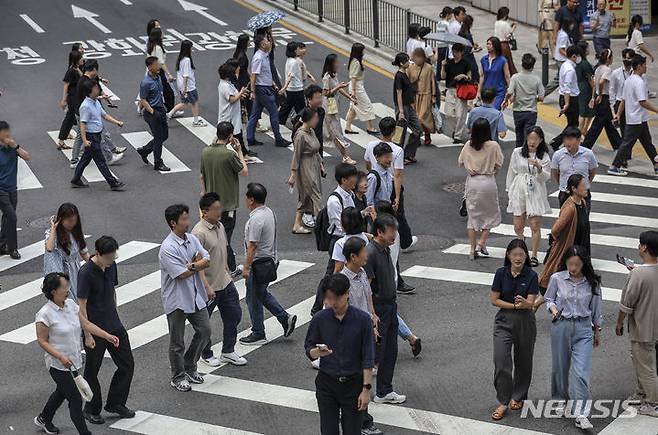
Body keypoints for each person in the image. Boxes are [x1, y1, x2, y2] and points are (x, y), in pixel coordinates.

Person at [34, 272, 119, 435]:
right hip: (58, 364)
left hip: (74, 360)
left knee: (62, 392)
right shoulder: (44, 314)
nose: (68, 290)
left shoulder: (71, 305)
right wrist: (59, 356)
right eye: (65, 287)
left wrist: (106, 335)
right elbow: (42, 341)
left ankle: (44, 418)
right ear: (53, 291)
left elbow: (85, 323)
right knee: (74, 398)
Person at [304, 273, 375, 435]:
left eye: (336, 298)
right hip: (327, 385)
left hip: (353, 386)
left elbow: (368, 357)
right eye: (329, 298)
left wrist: (366, 390)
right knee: (328, 431)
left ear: (347, 294)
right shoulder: (320, 319)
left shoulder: (362, 320)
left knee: (352, 431)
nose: (332, 302)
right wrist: (317, 352)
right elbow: (309, 349)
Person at [77, 236, 135, 424]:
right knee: (92, 370)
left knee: (127, 364)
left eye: (114, 257)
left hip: (114, 325)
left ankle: (116, 403)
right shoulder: (86, 272)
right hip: (94, 328)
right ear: (98, 254)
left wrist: (115, 313)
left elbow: (112, 291)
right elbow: (82, 306)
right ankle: (91, 408)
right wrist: (86, 334)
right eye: (109, 257)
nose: (112, 261)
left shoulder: (111, 266)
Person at [545, 246, 603, 430]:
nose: (573, 268)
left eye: (577, 264)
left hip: (583, 328)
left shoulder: (592, 282)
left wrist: (597, 330)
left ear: (584, 263)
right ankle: (560, 399)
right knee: (560, 367)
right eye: (570, 264)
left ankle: (581, 414)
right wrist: (553, 310)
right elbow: (549, 299)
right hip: (561, 325)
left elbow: (597, 307)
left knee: (581, 372)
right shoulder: (557, 278)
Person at [159, 204, 212, 392]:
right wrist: (196, 265)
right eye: (183, 219)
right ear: (173, 223)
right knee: (177, 342)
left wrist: (193, 265)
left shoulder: (191, 239)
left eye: (187, 218)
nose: (187, 223)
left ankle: (190, 365)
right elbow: (181, 274)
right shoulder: (167, 248)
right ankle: (178, 376)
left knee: (205, 330)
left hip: (196, 295)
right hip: (177, 300)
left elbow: (206, 259)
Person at [193, 193, 247, 367]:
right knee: (204, 324)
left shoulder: (220, 226)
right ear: (205, 211)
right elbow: (196, 263)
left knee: (234, 314)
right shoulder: (198, 233)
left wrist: (226, 272)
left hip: (225, 281)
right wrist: (207, 287)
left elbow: (222, 251)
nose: (219, 212)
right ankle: (205, 353)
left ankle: (228, 351)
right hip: (208, 287)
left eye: (220, 208)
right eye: (215, 209)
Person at [240, 183, 298, 345]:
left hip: (259, 265)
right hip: (270, 260)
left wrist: (246, 267)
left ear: (251, 200)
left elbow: (253, 245)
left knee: (253, 299)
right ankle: (284, 318)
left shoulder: (256, 219)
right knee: (260, 294)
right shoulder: (269, 212)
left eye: (246, 197)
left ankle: (258, 333)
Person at [338, 237, 383, 435]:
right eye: (363, 252)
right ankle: (362, 422)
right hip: (352, 339)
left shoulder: (362, 272)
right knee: (358, 382)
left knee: (361, 380)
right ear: (352, 256)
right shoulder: (342, 281)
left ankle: (359, 418)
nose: (367, 255)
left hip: (365, 333)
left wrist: (373, 317)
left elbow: (368, 297)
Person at [489, 239, 538, 421]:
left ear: (526, 256)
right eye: (514, 254)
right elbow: (494, 300)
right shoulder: (501, 273)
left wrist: (526, 304)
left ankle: (518, 395)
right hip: (504, 321)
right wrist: (515, 306)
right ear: (508, 256)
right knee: (501, 361)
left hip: (525, 322)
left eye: (521, 255)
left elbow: (531, 303)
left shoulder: (531, 275)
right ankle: (503, 401)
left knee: (524, 361)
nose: (518, 258)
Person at [364, 214, 406, 404]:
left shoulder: (384, 249)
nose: (395, 235)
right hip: (380, 309)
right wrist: (372, 313)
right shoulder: (371, 253)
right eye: (392, 231)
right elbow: (367, 288)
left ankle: (384, 390)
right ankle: (365, 392)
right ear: (380, 232)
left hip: (390, 306)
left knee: (390, 350)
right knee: (375, 351)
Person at [616, 231, 658, 417]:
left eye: (640, 244)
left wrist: (619, 323)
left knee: (646, 366)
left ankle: (653, 403)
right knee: (642, 361)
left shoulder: (638, 274)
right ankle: (642, 393)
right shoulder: (643, 272)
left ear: (645, 248)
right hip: (654, 326)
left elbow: (627, 303)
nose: (638, 246)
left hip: (642, 328)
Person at [199, 121, 248, 275]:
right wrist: (239, 151)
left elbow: (202, 176)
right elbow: (244, 171)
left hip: (210, 203)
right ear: (230, 136)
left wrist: (205, 193)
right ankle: (230, 267)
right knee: (224, 238)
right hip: (227, 204)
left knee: (215, 235)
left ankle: (222, 265)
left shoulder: (206, 152)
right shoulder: (229, 155)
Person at [364, 117, 417, 254]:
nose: (389, 159)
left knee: (386, 219)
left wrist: (371, 171)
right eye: (386, 157)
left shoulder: (371, 145)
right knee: (395, 216)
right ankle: (402, 241)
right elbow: (398, 175)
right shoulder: (397, 150)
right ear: (394, 131)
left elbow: (367, 162)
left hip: (384, 181)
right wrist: (398, 196)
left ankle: (389, 241)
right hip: (389, 185)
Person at [538, 174, 592, 302]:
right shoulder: (570, 208)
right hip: (570, 251)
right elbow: (555, 230)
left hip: (580, 250)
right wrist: (559, 242)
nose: (586, 188)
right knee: (557, 279)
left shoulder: (582, 202)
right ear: (574, 189)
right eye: (583, 186)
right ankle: (536, 305)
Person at [458, 118, 504, 260]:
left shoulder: (468, 145)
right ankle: (482, 243)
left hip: (472, 182)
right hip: (488, 181)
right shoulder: (493, 145)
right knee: (490, 214)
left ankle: (472, 250)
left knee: (472, 217)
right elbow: (499, 163)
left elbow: (460, 161)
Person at [505, 127, 551, 266]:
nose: (532, 142)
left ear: (541, 140)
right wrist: (509, 190)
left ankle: (534, 255)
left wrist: (539, 168)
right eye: (530, 139)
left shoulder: (544, 156)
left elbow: (545, 178)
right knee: (517, 225)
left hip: (535, 189)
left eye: (535, 139)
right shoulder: (517, 152)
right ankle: (521, 240)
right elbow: (511, 171)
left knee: (535, 224)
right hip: (519, 188)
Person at [70, 81, 126, 191]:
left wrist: (117, 122)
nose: (98, 89)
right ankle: (112, 182)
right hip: (91, 137)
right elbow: (82, 124)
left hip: (97, 135)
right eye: (95, 88)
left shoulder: (95, 102)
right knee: (101, 161)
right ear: (89, 92)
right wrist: (85, 140)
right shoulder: (85, 106)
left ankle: (75, 179)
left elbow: (104, 115)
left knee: (85, 159)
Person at [71, 59, 125, 169]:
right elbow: (87, 98)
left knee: (91, 136)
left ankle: (78, 159)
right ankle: (108, 157)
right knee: (95, 135)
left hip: (87, 111)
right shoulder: (84, 82)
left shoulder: (88, 79)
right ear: (94, 69)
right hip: (85, 113)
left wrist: (101, 97)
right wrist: (100, 97)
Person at [609, 55, 658, 176]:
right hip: (636, 118)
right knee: (627, 144)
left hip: (637, 118)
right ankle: (614, 166)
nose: (646, 67)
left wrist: (618, 114)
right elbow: (642, 101)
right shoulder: (639, 82)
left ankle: (656, 165)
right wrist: (657, 110)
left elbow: (623, 100)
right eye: (645, 65)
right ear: (639, 66)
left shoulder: (629, 80)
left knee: (647, 142)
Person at [246, 34, 291, 148]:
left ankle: (250, 138)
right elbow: (254, 75)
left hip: (266, 86)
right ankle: (278, 139)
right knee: (274, 112)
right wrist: (252, 91)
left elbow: (265, 73)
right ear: (262, 44)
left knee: (255, 114)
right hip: (262, 89)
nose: (268, 42)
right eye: (266, 41)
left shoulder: (264, 55)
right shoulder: (258, 58)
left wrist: (273, 84)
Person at [289, 108, 323, 234]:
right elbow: (296, 155)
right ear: (309, 119)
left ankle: (297, 225)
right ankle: (324, 224)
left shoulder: (311, 131)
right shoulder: (301, 135)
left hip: (313, 164)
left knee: (306, 197)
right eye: (315, 118)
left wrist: (320, 163)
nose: (317, 120)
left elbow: (316, 149)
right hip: (305, 167)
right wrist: (293, 174)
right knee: (315, 194)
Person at [44, 203, 89, 300]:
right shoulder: (53, 234)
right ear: (61, 219)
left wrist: (95, 266)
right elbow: (50, 248)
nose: (72, 223)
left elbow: (84, 252)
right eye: (69, 221)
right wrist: (53, 228)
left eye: (74, 220)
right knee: (67, 302)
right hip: (62, 276)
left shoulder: (76, 232)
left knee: (78, 302)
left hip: (75, 272)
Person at [581, 49, 622, 151]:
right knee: (597, 125)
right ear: (609, 59)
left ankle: (618, 144)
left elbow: (595, 83)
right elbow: (601, 82)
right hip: (604, 98)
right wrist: (599, 94)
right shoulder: (607, 70)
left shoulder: (598, 69)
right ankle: (585, 145)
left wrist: (593, 96)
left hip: (599, 98)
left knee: (608, 124)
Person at [0, 121, 30, 260]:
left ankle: (2, 244)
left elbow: (27, 156)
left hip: (12, 188)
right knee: (12, 217)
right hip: (1, 190)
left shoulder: (12, 147)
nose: (7, 134)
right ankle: (13, 248)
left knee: (7, 217)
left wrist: (15, 146)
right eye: (4, 131)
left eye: (8, 131)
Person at [321, 54, 357, 164]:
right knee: (335, 132)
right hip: (328, 108)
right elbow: (325, 93)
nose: (338, 64)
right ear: (331, 63)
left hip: (334, 107)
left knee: (334, 132)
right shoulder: (326, 77)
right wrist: (338, 87)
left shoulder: (333, 75)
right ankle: (345, 156)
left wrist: (349, 97)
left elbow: (338, 88)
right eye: (336, 62)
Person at [138, 56, 171, 172]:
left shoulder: (157, 78)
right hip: (152, 112)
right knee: (158, 138)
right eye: (157, 65)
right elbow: (143, 100)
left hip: (160, 109)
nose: (159, 66)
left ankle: (145, 150)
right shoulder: (145, 82)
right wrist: (153, 112)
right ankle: (158, 162)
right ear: (150, 66)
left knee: (164, 136)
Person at [503, 53, 544, 147]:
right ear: (533, 66)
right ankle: (527, 153)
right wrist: (534, 98)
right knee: (528, 135)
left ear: (522, 64)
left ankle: (518, 153)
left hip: (518, 111)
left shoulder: (515, 77)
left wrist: (506, 101)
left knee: (519, 134)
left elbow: (509, 92)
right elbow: (541, 97)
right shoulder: (537, 79)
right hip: (531, 111)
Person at [551, 126, 597, 210]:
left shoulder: (588, 154)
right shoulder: (558, 155)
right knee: (565, 220)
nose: (567, 142)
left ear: (579, 140)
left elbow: (592, 171)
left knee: (583, 220)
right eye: (565, 139)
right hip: (565, 192)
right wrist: (563, 184)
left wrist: (586, 184)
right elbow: (555, 172)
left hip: (583, 193)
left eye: (571, 139)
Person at [217, 62, 255, 163]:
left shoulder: (227, 84)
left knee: (235, 136)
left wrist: (240, 94)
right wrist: (241, 93)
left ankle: (243, 155)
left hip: (232, 115)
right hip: (228, 116)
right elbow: (232, 99)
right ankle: (240, 155)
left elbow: (235, 96)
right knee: (227, 137)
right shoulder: (225, 86)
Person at [549, 46, 581, 151]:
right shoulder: (570, 70)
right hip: (570, 99)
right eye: (577, 56)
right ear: (574, 56)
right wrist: (567, 103)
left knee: (572, 124)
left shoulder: (564, 65)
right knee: (573, 125)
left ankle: (562, 142)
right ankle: (558, 142)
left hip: (564, 97)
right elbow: (567, 87)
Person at [166, 40, 206, 126]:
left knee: (184, 103)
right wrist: (184, 88)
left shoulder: (181, 58)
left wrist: (182, 87)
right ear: (188, 49)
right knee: (194, 103)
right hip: (188, 86)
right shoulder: (187, 60)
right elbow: (186, 75)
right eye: (191, 47)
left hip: (182, 85)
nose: (192, 49)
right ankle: (196, 121)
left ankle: (169, 114)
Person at [391, 52, 421, 164]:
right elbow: (399, 94)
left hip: (408, 107)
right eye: (407, 61)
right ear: (401, 63)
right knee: (400, 134)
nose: (409, 62)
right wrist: (401, 112)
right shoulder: (399, 76)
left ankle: (408, 154)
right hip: (402, 108)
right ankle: (397, 158)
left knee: (418, 130)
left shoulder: (405, 74)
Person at [344, 43, 378, 135]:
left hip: (356, 86)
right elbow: (353, 78)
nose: (364, 52)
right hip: (357, 88)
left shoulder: (355, 61)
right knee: (367, 106)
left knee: (354, 107)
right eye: (363, 50)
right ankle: (370, 127)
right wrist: (354, 92)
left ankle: (348, 127)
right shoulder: (356, 63)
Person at [442, 43, 472, 144]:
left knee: (460, 114)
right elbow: (443, 76)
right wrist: (443, 66)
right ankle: (456, 129)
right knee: (448, 114)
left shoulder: (466, 63)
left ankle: (458, 135)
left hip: (461, 90)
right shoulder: (449, 63)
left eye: (457, 52)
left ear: (461, 52)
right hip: (450, 90)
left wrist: (463, 76)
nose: (455, 54)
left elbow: (470, 77)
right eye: (453, 52)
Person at [279, 42, 312, 126]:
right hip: (296, 89)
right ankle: (300, 123)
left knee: (288, 106)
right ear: (294, 51)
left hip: (291, 88)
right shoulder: (294, 62)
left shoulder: (289, 60)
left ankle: (280, 120)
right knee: (301, 109)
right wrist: (284, 87)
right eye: (298, 49)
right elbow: (291, 76)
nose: (299, 50)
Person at [408, 48, 436, 146]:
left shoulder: (428, 68)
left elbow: (432, 82)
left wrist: (433, 95)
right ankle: (418, 136)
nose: (415, 59)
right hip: (415, 96)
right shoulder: (410, 68)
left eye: (417, 57)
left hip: (426, 95)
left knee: (423, 117)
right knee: (415, 118)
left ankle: (427, 134)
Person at [608, 48, 635, 147]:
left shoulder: (636, 73)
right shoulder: (616, 73)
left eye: (630, 58)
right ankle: (625, 153)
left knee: (633, 129)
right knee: (623, 129)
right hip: (620, 103)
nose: (627, 60)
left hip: (632, 103)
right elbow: (612, 89)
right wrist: (613, 104)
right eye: (625, 58)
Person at [57, 51, 83, 150]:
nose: (82, 59)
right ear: (76, 60)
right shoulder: (71, 71)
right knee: (74, 117)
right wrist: (64, 99)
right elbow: (66, 85)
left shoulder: (76, 69)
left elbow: (83, 77)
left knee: (70, 118)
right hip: (73, 98)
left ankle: (61, 141)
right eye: (81, 58)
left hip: (76, 97)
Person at [146, 27, 175, 112]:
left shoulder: (151, 46)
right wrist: (169, 74)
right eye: (162, 33)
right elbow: (161, 63)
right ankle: (171, 111)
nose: (163, 34)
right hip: (158, 71)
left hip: (152, 71)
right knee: (168, 92)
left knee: (158, 90)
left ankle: (143, 105)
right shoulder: (158, 48)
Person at [544, 16, 574, 97]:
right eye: (571, 24)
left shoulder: (561, 32)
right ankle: (542, 93)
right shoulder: (564, 35)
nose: (573, 26)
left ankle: (542, 93)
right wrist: (570, 56)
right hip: (562, 60)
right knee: (559, 80)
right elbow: (561, 50)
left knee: (560, 79)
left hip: (559, 59)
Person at [479, 37, 510, 110]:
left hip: (499, 92)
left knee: (494, 111)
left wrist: (510, 91)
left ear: (495, 46)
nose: (488, 46)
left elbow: (507, 77)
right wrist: (479, 91)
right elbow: (481, 76)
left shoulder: (502, 60)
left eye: (490, 44)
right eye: (487, 44)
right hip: (486, 92)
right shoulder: (484, 59)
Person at [575, 41, 595, 134]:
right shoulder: (585, 64)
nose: (589, 49)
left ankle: (583, 130)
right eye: (587, 48)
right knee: (586, 111)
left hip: (578, 87)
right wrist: (595, 90)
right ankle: (582, 130)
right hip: (586, 89)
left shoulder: (576, 62)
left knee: (583, 111)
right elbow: (590, 79)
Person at [366, 143, 394, 208]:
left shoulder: (388, 173)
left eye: (390, 156)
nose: (390, 159)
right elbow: (368, 201)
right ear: (377, 157)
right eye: (386, 157)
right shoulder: (373, 177)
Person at [232, 34, 253, 121]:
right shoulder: (242, 56)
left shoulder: (237, 53)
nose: (250, 42)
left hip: (241, 80)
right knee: (249, 101)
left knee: (243, 100)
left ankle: (242, 115)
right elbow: (240, 70)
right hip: (243, 80)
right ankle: (254, 122)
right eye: (248, 40)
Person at [494, 7, 517, 75]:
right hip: (504, 45)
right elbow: (508, 35)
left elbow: (502, 30)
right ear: (505, 15)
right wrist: (513, 28)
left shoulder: (497, 22)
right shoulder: (505, 24)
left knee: (499, 60)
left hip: (497, 43)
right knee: (507, 61)